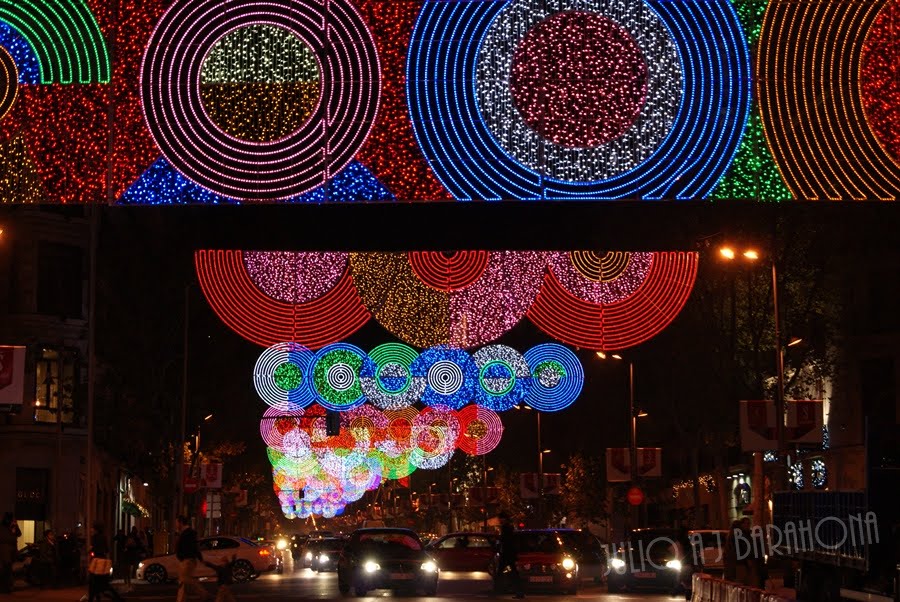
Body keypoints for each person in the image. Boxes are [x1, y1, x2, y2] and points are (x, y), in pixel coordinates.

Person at [175, 516, 210, 602]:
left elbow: (195, 547)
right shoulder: (183, 532)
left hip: (188, 560)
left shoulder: (189, 533)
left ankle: (203, 593)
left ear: (181, 522)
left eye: (176, 522)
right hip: (184, 560)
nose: (176, 525)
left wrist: (200, 558)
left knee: (185, 580)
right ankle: (182, 599)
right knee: (183, 581)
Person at [88, 523, 122, 602]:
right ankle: (116, 597)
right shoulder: (103, 537)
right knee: (103, 582)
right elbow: (106, 549)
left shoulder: (95, 538)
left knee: (93, 581)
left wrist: (90, 551)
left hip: (96, 561)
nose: (91, 530)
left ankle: (94, 597)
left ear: (96, 530)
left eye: (92, 528)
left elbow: (92, 549)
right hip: (103, 560)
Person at [497, 512, 523, 599]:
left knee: (501, 572)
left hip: (507, 554)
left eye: (501, 518)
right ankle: (518, 591)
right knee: (513, 573)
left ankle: (498, 589)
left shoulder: (506, 527)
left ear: (504, 519)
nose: (500, 520)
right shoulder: (509, 527)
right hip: (509, 554)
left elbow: (506, 541)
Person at [0, 513, 21, 593]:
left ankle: (8, 587)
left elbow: (19, 534)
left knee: (8, 569)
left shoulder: (13, 526)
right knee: (5, 569)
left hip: (12, 551)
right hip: (5, 551)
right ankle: (5, 587)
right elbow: (5, 538)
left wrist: (16, 526)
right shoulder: (2, 527)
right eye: (12, 519)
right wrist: (12, 533)